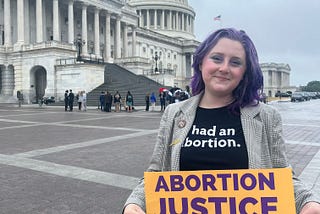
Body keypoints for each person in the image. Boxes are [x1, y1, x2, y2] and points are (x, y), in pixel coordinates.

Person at [123, 28, 320, 214]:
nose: (224, 68)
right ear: (201, 63)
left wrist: (308, 201)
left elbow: (282, 176)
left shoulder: (266, 116)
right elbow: (156, 173)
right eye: (216, 58)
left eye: (235, 62)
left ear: (245, 71)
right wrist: (134, 203)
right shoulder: (174, 113)